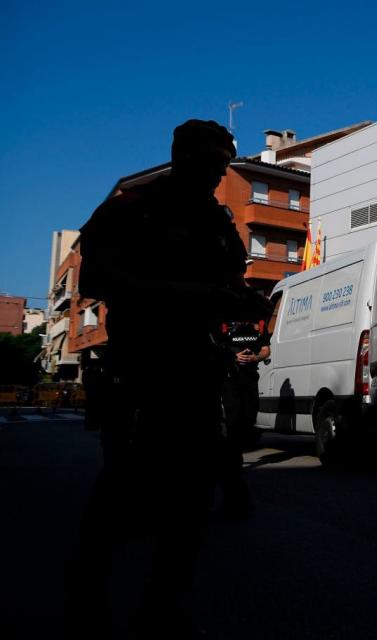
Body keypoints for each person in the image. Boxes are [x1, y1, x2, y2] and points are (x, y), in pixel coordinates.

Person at [69, 119, 272, 637]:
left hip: (196, 366)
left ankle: (164, 603)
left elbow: (229, 279)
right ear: (181, 156)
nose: (214, 173)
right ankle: (87, 594)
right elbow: (93, 277)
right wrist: (185, 294)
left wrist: (242, 300)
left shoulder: (215, 218)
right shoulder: (135, 206)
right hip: (141, 362)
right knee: (125, 483)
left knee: (193, 490)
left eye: (221, 164)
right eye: (207, 162)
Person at [216, 318, 271, 518]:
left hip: (250, 378)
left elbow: (266, 349)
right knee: (234, 421)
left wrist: (255, 357)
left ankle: (234, 452)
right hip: (230, 379)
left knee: (248, 419)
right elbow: (216, 346)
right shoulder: (223, 321)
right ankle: (233, 461)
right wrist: (232, 358)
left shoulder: (259, 322)